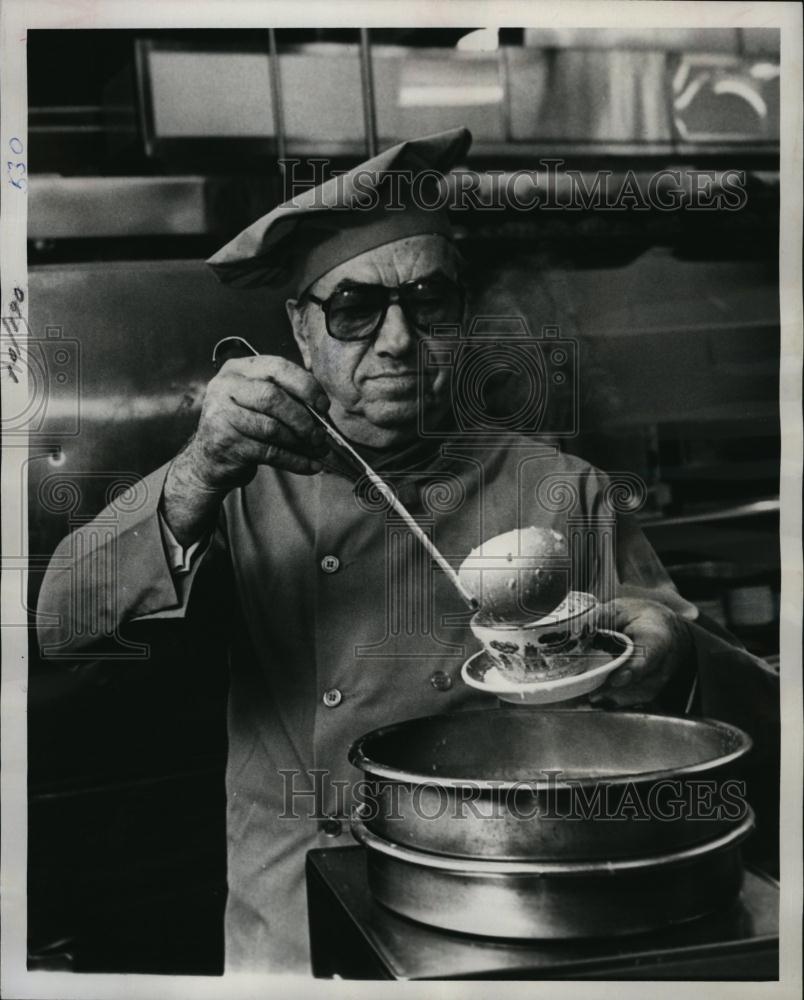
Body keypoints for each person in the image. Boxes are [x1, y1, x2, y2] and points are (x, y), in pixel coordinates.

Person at [37, 127, 779, 974]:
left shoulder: (560, 488)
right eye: (354, 309)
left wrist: (670, 656)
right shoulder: (238, 481)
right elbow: (66, 629)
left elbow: (735, 724)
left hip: (503, 919)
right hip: (291, 931)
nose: (397, 340)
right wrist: (192, 477)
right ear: (301, 330)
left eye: (429, 303)